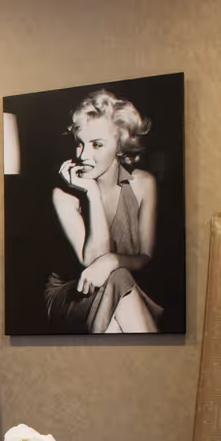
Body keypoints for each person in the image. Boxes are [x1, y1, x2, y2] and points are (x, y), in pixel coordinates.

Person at [43, 90, 162, 333]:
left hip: (122, 287)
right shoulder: (62, 195)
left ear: (120, 144)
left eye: (97, 144)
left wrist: (113, 261)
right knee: (118, 279)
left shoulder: (144, 184)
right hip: (72, 295)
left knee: (118, 282)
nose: (83, 155)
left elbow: (145, 257)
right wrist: (92, 194)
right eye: (80, 143)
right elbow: (92, 262)